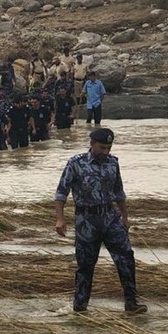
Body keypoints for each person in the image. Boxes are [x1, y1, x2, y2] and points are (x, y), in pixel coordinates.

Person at [54, 128, 148, 314]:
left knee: (126, 258)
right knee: (86, 265)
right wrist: (60, 219)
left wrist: (124, 216)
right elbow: (61, 192)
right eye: (102, 147)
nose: (106, 152)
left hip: (110, 218)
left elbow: (119, 192)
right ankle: (80, 307)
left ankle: (131, 303)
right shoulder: (75, 163)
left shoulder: (113, 163)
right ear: (92, 144)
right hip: (86, 221)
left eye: (109, 148)